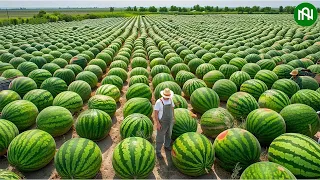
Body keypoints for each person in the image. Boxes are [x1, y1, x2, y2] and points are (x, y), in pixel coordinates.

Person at [154, 88, 175, 157]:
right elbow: (156, 113)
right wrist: (158, 123)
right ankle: (158, 151)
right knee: (160, 136)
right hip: (162, 122)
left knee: (169, 134)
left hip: (170, 120)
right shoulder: (159, 102)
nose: (167, 98)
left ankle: (167, 145)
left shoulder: (171, 100)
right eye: (166, 96)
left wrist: (173, 117)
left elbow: (172, 109)